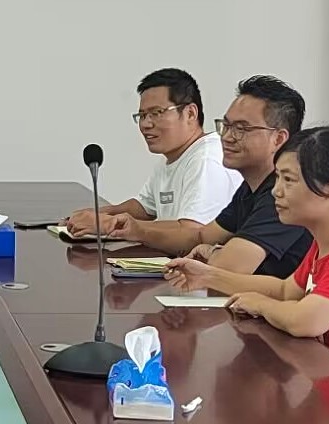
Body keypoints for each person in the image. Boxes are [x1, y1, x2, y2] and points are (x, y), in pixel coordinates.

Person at [165, 126, 329, 403]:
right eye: (278, 178)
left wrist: (260, 304)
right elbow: (286, 290)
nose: (276, 191)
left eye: (289, 180)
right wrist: (208, 276)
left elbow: (307, 321)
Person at [107, 75, 312, 278]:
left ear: (278, 138)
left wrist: (213, 252)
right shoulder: (249, 189)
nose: (227, 137)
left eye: (241, 129)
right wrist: (137, 230)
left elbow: (229, 267)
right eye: (226, 125)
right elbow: (200, 236)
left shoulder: (285, 194)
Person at [64, 68, 238, 236]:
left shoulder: (207, 159)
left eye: (156, 113)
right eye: (142, 116)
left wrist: (109, 223)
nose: (146, 124)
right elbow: (144, 207)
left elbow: (192, 231)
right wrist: (96, 214)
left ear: (190, 114)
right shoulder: (173, 156)